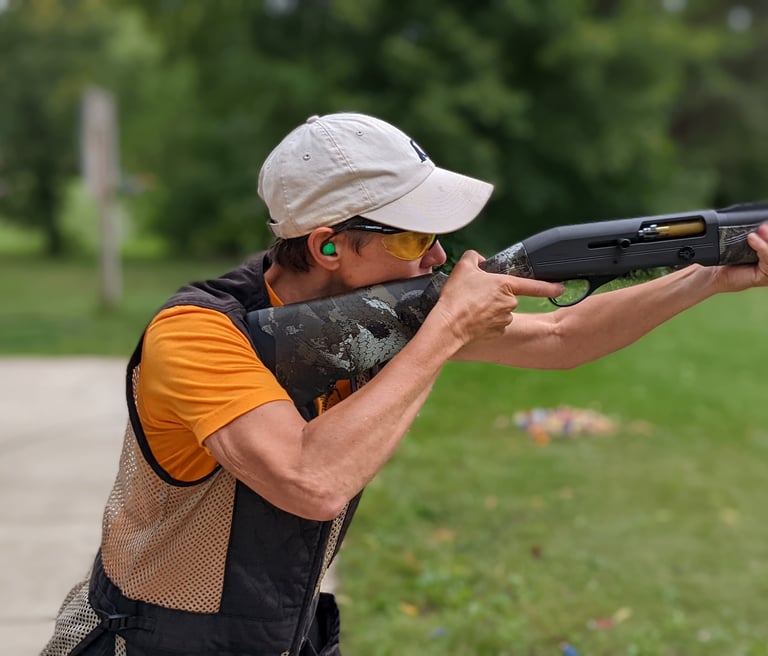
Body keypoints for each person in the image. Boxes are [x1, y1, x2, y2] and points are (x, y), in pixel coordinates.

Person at [41, 112, 768, 656]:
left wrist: (707, 275)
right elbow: (309, 478)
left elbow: (560, 338)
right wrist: (445, 330)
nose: (438, 257)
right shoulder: (197, 336)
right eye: (413, 237)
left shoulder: (377, 322)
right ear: (327, 244)